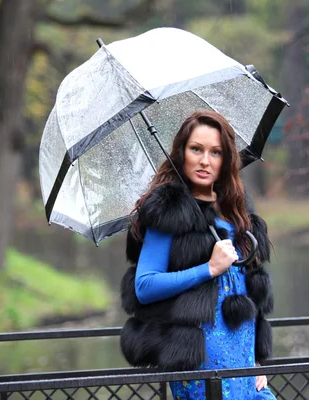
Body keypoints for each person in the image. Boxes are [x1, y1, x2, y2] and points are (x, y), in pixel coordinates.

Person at [119, 110, 276, 399]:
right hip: (199, 357)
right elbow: (144, 286)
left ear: (226, 159)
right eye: (196, 149)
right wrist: (209, 268)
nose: (205, 160)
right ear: (182, 153)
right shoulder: (170, 210)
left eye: (215, 152)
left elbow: (250, 290)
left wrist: (256, 358)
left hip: (242, 354)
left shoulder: (237, 209)